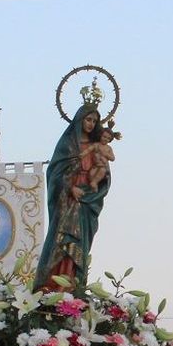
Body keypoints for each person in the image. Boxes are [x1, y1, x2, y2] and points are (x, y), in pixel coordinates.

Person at [36, 102, 113, 289]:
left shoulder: (97, 145)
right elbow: (55, 172)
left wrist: (96, 183)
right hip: (69, 200)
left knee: (81, 243)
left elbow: (105, 173)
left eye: (95, 121)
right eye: (88, 119)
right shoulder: (68, 144)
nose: (91, 124)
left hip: (87, 201)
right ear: (80, 120)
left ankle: (73, 285)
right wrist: (70, 187)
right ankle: (54, 286)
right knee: (63, 239)